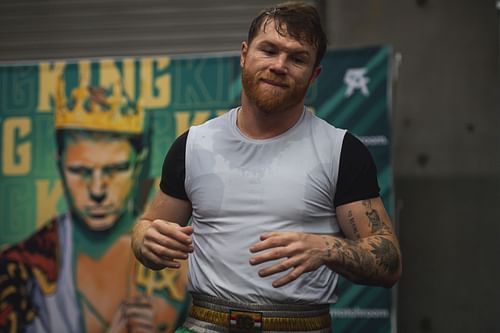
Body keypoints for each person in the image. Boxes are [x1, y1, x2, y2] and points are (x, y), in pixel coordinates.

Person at [132, 2, 402, 332]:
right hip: (203, 324)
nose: (279, 65)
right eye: (269, 50)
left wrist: (327, 248)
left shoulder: (341, 151)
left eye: (297, 58)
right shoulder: (194, 144)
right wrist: (144, 239)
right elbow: (148, 225)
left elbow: (389, 262)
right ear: (245, 54)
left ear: (314, 74)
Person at [0, 80, 189, 333]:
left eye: (115, 169)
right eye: (80, 171)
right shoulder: (21, 269)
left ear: (139, 165)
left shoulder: (179, 263)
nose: (98, 190)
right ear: (60, 165)